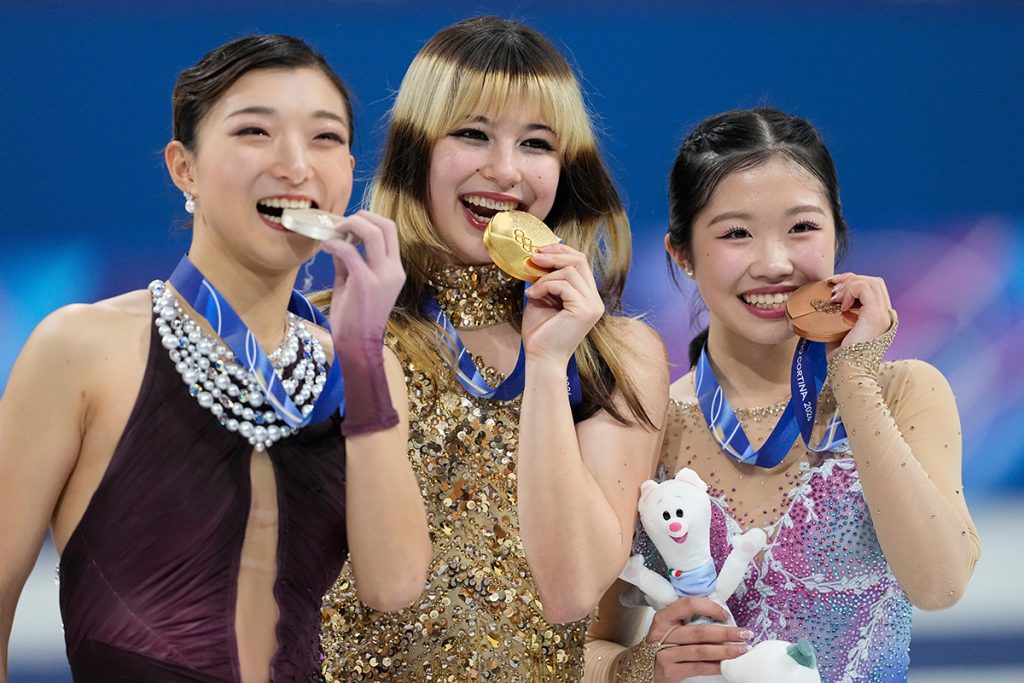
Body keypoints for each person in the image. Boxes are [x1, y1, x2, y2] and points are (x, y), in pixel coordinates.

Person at [0, 34, 430, 682]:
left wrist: (364, 358)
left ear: (347, 172)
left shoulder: (365, 368)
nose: (294, 165)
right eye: (256, 131)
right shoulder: (82, 348)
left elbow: (393, 584)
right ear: (185, 168)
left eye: (323, 138)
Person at [317, 16, 669, 682]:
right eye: (472, 133)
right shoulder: (343, 337)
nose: (505, 171)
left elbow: (572, 592)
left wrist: (546, 364)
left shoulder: (616, 356)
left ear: (566, 167)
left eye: (536, 143)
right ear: (416, 150)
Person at [585, 108, 980, 683]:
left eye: (802, 228)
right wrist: (642, 668)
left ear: (837, 236)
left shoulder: (904, 391)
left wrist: (855, 381)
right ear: (682, 255)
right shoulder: (647, 421)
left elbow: (940, 585)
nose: (774, 263)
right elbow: (589, 646)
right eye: (736, 233)